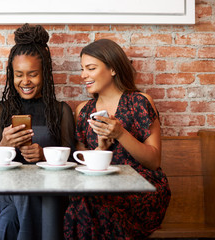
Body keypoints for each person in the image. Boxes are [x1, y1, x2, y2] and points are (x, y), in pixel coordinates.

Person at [64, 39, 171, 239]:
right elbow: (85, 170)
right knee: (84, 203)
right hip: (102, 188)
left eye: (91, 68)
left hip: (142, 189)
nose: (83, 75)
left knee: (91, 206)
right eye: (82, 69)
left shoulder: (139, 102)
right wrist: (101, 149)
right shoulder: (83, 111)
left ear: (113, 69)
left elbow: (154, 161)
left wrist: (120, 133)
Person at [0, 23, 75, 240]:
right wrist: (5, 145)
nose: (25, 81)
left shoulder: (60, 111)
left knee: (8, 220)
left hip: (51, 189)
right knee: (25, 190)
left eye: (33, 74)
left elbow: (72, 160)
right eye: (19, 74)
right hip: (6, 191)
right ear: (11, 74)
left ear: (44, 73)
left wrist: (44, 155)